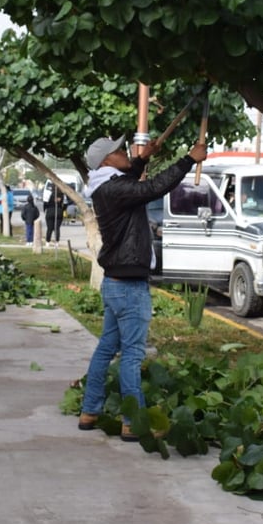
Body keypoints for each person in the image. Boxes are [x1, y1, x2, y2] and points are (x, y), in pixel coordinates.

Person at [77, 134, 207, 441]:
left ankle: (89, 411)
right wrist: (189, 159)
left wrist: (143, 158)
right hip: (130, 288)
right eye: (120, 151)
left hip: (115, 283)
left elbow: (132, 178)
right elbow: (152, 188)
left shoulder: (105, 185)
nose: (126, 153)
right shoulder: (116, 188)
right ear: (107, 161)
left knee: (107, 348)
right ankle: (132, 422)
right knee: (132, 355)